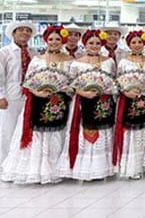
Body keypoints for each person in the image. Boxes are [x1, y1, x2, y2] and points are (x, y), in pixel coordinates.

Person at [1, 25, 72, 184]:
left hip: (59, 103)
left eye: (58, 39)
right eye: (51, 39)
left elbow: (73, 82)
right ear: (46, 40)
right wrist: (38, 92)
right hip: (34, 101)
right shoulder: (37, 59)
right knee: (13, 131)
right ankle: (32, 169)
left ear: (63, 41)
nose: (54, 42)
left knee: (57, 134)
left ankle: (54, 169)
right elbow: (28, 82)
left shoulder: (69, 61)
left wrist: (64, 89)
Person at [57, 29, 118, 181]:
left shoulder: (109, 61)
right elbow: (70, 84)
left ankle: (103, 168)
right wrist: (84, 93)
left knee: (104, 132)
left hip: (104, 102)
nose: (94, 46)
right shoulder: (77, 63)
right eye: (91, 43)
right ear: (85, 44)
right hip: (83, 102)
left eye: (98, 43)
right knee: (84, 132)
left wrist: (106, 90)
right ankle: (84, 169)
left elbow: (114, 82)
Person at [114, 30, 145, 180]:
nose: (137, 45)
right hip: (129, 100)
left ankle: (144, 164)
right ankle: (131, 167)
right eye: (134, 42)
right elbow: (117, 82)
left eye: (140, 42)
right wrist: (126, 92)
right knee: (131, 134)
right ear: (129, 44)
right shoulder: (124, 62)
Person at [0, 21, 39, 166]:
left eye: (28, 30)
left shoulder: (33, 53)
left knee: (26, 131)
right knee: (8, 130)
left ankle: (22, 163)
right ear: (13, 33)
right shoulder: (4, 52)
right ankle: (4, 162)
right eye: (21, 30)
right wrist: (1, 96)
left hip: (30, 97)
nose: (24, 33)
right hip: (11, 97)